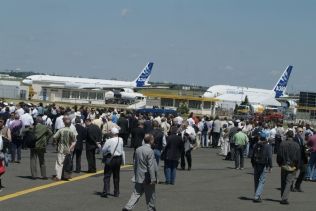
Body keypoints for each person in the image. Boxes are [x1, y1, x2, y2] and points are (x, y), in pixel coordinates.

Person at [123, 134, 157, 211]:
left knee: (136, 193)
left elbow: (135, 163)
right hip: (147, 176)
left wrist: (135, 175)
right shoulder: (150, 151)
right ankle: (151, 208)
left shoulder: (138, 149)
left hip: (139, 175)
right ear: (151, 140)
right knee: (150, 194)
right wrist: (153, 178)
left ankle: (127, 207)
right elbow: (151, 166)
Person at [277, 130, 301, 205]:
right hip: (292, 166)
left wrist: (279, 163)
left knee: (283, 181)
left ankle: (283, 196)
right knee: (289, 182)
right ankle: (284, 198)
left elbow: (279, 155)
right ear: (293, 136)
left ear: (287, 136)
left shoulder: (282, 144)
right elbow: (298, 157)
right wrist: (297, 166)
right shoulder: (296, 145)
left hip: (284, 165)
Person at [101, 127, 125, 198]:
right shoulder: (120, 139)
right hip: (119, 158)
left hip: (111, 158)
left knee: (107, 175)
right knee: (116, 175)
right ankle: (116, 192)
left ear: (112, 133)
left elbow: (103, 150)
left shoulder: (109, 140)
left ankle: (106, 191)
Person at [52, 116, 76, 181]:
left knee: (59, 163)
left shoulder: (61, 130)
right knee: (67, 163)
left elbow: (54, 137)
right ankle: (66, 175)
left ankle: (58, 176)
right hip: (68, 149)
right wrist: (70, 148)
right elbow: (74, 141)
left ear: (64, 124)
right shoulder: (71, 131)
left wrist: (55, 142)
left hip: (61, 149)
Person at [251, 134, 272, 203]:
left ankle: (256, 194)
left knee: (256, 180)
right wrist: (270, 166)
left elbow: (252, 154)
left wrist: (253, 164)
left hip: (256, 164)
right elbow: (269, 157)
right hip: (263, 164)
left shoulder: (255, 145)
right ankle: (257, 196)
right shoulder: (267, 146)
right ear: (265, 139)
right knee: (262, 180)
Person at [291, 127, 308, 192]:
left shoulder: (301, 138)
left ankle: (297, 185)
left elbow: (301, 147)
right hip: (296, 159)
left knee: (304, 171)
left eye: (302, 131)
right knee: (293, 173)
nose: (301, 132)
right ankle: (291, 186)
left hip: (302, 158)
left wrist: (305, 149)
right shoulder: (294, 138)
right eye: (300, 131)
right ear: (297, 131)